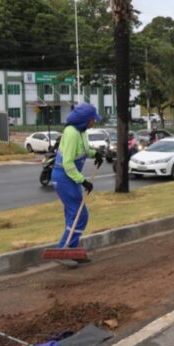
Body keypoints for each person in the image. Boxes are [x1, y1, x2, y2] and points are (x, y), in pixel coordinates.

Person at [52, 103, 104, 248]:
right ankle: (63, 248)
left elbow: (84, 150)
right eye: (93, 120)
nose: (94, 122)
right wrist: (83, 181)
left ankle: (71, 248)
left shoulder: (81, 132)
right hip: (64, 177)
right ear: (85, 119)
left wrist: (95, 154)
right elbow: (68, 163)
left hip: (70, 178)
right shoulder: (71, 133)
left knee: (73, 215)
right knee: (80, 216)